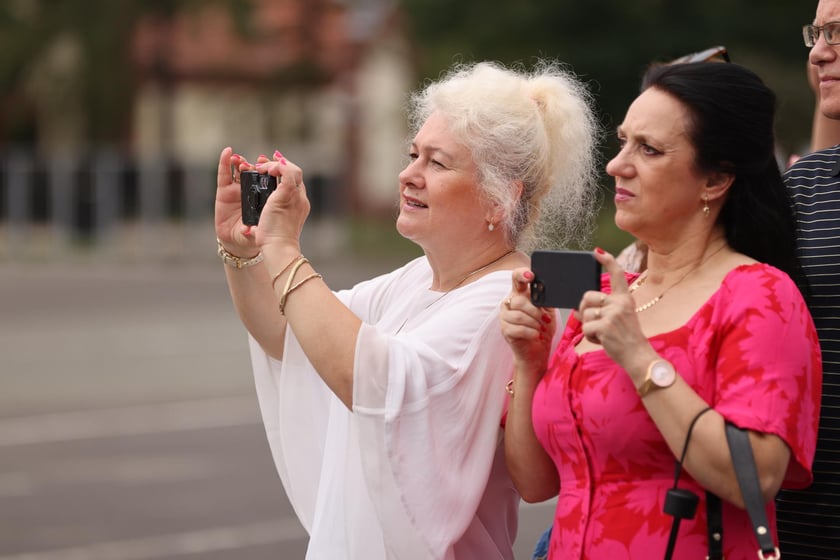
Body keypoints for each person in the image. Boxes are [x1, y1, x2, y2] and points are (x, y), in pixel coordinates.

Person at [213, 59, 601, 559]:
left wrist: (285, 248)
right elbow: (290, 331)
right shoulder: (420, 277)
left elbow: (374, 380)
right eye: (413, 154)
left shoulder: (506, 297)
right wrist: (245, 252)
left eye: (436, 163)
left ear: (501, 198)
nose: (407, 175)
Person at [501, 61, 822, 559]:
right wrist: (529, 363)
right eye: (624, 141)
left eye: (648, 150)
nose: (617, 165)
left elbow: (756, 477)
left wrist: (640, 358)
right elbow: (537, 483)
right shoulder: (608, 293)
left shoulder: (760, 295)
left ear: (715, 180)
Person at [775, 3, 840, 557]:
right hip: (803, 534)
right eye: (817, 33)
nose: (819, 52)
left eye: (838, 32)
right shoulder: (804, 184)